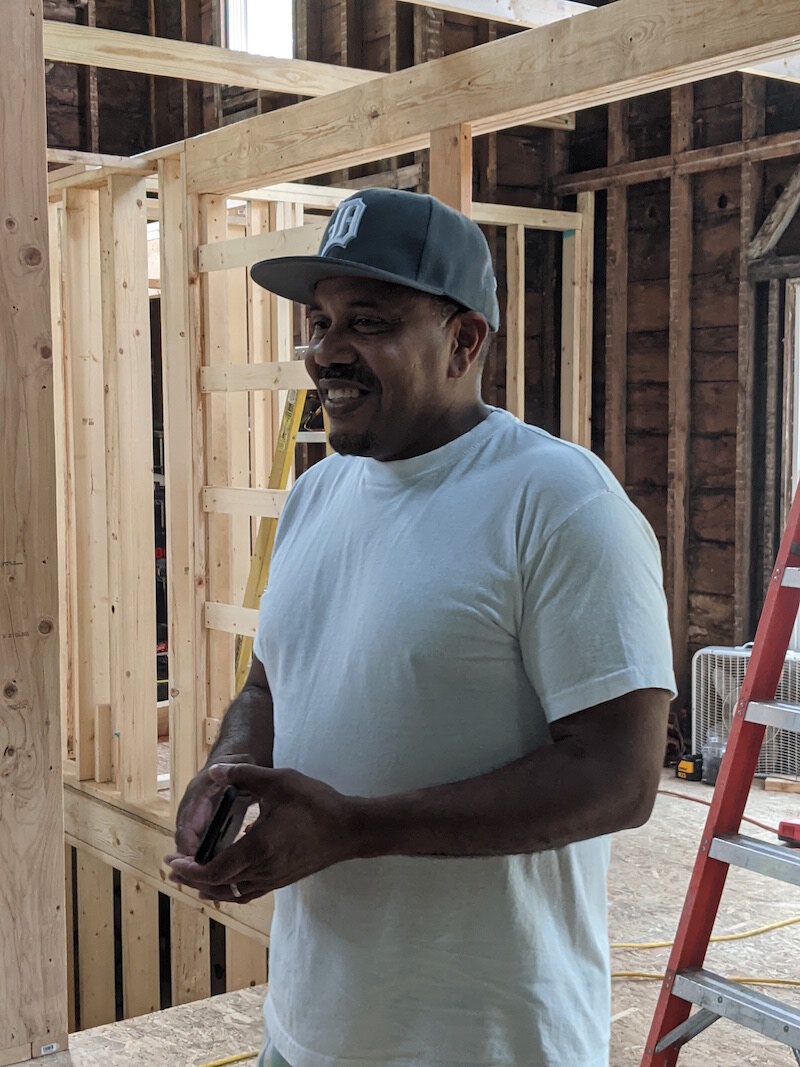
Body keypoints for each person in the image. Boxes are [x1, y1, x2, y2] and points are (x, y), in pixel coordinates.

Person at [166, 187, 676, 1067]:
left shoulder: (559, 502)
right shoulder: (317, 493)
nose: (327, 352)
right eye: (319, 322)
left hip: (484, 1040)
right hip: (308, 1030)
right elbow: (268, 682)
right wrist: (227, 769)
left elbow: (620, 778)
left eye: (367, 321)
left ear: (465, 340)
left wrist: (358, 826)